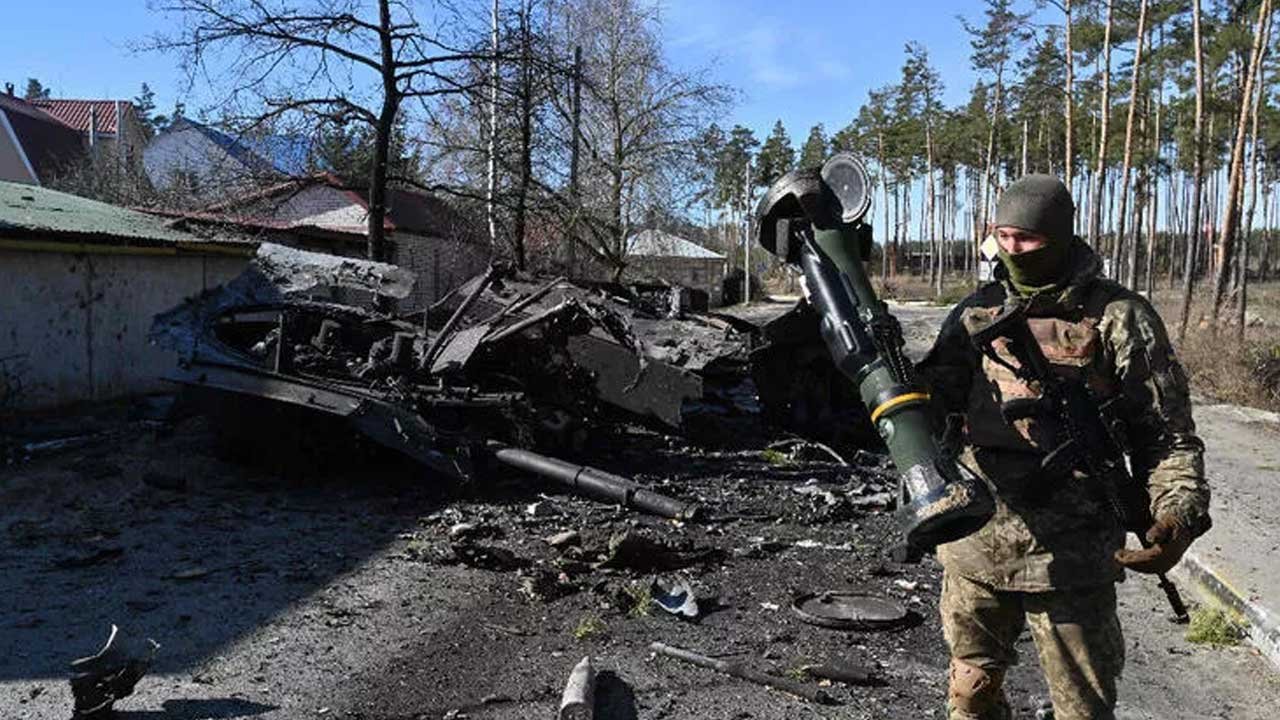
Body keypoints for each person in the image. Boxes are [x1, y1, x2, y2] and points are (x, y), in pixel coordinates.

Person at [915, 174, 1211, 720]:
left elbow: (1165, 434)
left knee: (1083, 709)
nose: (1013, 250)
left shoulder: (1120, 316)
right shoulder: (972, 313)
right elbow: (929, 413)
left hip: (1072, 557)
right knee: (970, 696)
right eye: (1002, 237)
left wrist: (1177, 514)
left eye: (1027, 239)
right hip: (976, 545)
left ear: (1060, 235)